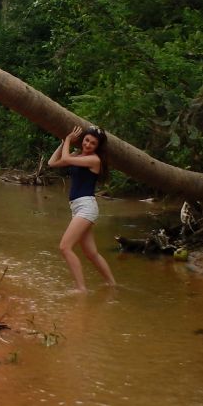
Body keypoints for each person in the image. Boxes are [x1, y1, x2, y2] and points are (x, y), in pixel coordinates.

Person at [48, 125, 117, 293]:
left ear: (97, 147)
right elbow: (52, 163)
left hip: (86, 207)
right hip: (78, 207)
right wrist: (64, 141)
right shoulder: (79, 156)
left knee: (65, 247)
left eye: (92, 143)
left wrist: (70, 140)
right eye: (86, 140)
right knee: (91, 253)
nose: (87, 145)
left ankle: (81, 289)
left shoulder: (94, 160)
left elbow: (66, 158)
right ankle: (112, 286)